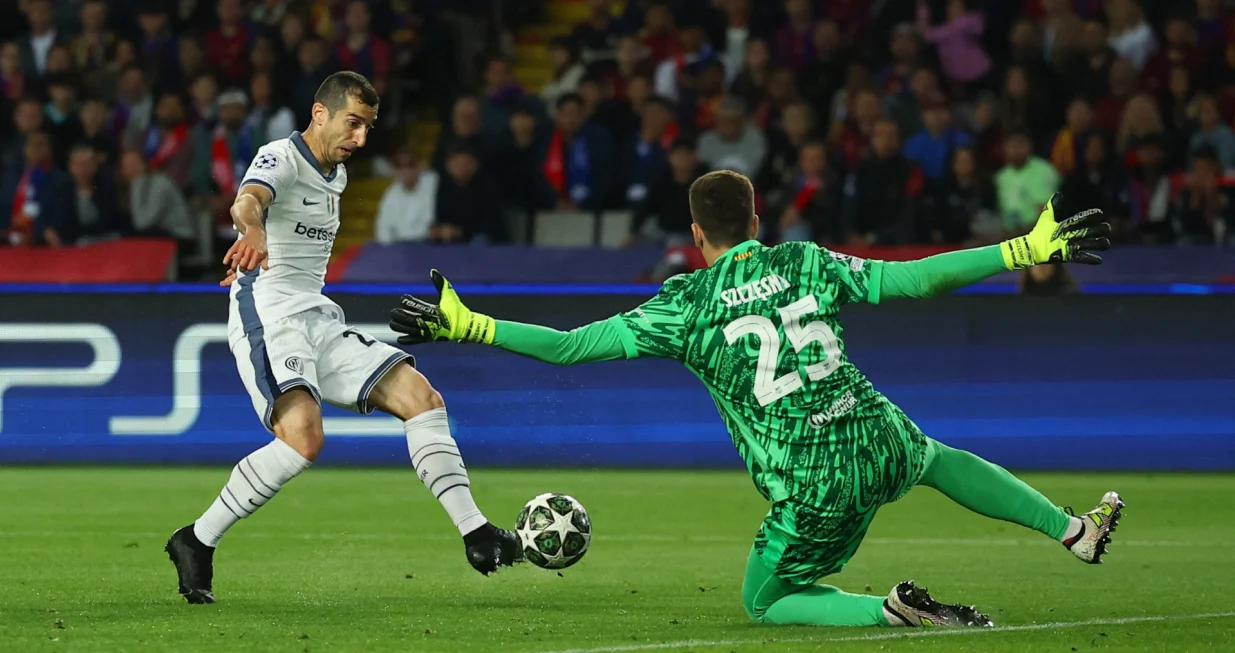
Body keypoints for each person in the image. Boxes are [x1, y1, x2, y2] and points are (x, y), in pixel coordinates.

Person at [389, 172, 1122, 629]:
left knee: (765, 600)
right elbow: (913, 280)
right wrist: (1020, 250)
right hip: (872, 427)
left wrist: (470, 323)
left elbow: (568, 345)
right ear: (758, 222)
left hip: (811, 477)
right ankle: (1069, 529)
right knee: (932, 456)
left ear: (696, 234)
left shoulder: (684, 304)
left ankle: (888, 609)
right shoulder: (804, 259)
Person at [167, 72, 521, 605]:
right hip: (269, 311)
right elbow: (249, 200)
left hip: (317, 317)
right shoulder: (280, 156)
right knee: (304, 438)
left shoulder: (337, 177)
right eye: (353, 124)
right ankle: (196, 539)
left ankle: (475, 532)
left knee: (421, 399)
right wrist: (253, 232)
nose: (361, 139)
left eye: (368, 128)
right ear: (319, 114)